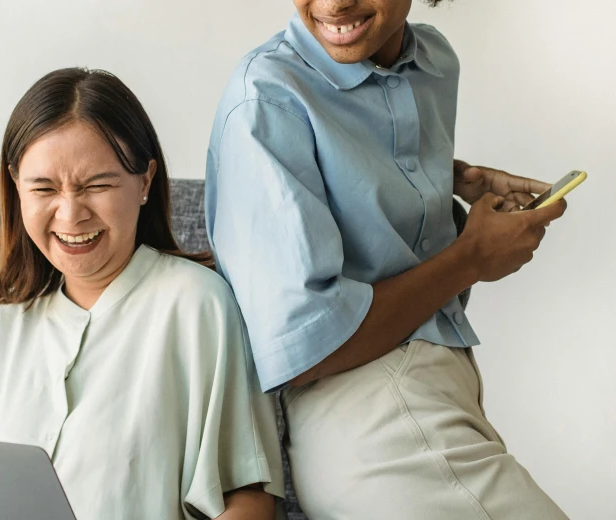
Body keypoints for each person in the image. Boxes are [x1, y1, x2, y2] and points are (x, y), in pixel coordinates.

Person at [205, 1, 569, 518]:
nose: (332, 4)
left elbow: (356, 187)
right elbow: (306, 348)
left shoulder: (433, 61)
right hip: (368, 410)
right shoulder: (267, 100)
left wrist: (446, 180)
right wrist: (472, 258)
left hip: (447, 388)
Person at [0, 67, 284, 520]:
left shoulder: (196, 305)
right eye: (44, 188)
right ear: (16, 188)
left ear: (144, 181)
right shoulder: (3, 327)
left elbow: (249, 501)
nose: (70, 215)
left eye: (97, 185)